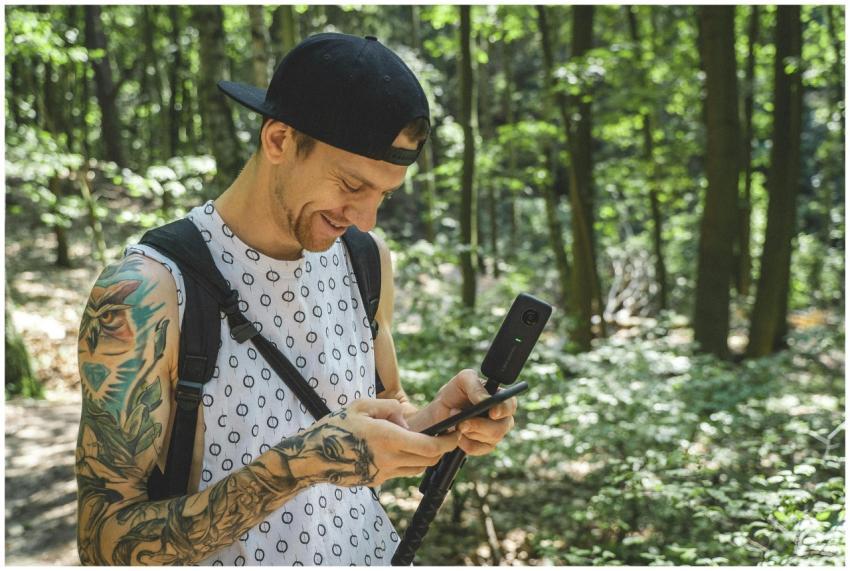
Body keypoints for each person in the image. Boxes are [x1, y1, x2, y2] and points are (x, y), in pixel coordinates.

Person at [75, 33, 517, 566]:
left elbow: (379, 423)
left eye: (383, 194)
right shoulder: (147, 293)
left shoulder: (366, 259)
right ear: (280, 140)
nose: (365, 217)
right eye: (351, 184)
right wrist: (300, 463)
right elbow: (103, 543)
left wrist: (438, 419)